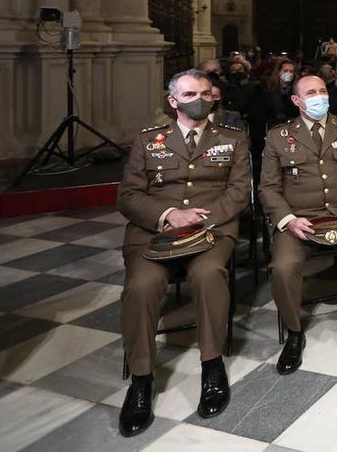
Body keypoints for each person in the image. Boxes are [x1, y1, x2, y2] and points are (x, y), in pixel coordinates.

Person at [116, 70, 251, 436]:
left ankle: (212, 366)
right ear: (173, 101)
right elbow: (127, 197)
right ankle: (141, 381)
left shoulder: (232, 139)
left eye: (206, 93)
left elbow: (240, 193)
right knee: (142, 287)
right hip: (154, 233)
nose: (201, 99)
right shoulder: (148, 141)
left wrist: (202, 219)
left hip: (211, 230)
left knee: (208, 275)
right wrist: (169, 216)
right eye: (191, 93)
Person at [258, 76, 337, 374]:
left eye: (322, 91)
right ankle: (294, 332)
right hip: (300, 219)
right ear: (297, 101)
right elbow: (268, 188)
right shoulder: (279, 136)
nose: (319, 97)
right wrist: (288, 219)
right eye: (311, 93)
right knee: (283, 267)